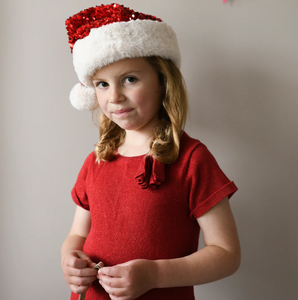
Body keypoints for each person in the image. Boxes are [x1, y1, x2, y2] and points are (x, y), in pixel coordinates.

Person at [61, 3, 241, 300]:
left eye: (130, 79)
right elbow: (77, 235)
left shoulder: (192, 160)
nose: (114, 96)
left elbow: (226, 254)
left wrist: (154, 274)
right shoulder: (97, 160)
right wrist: (70, 261)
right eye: (102, 84)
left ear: (162, 82)